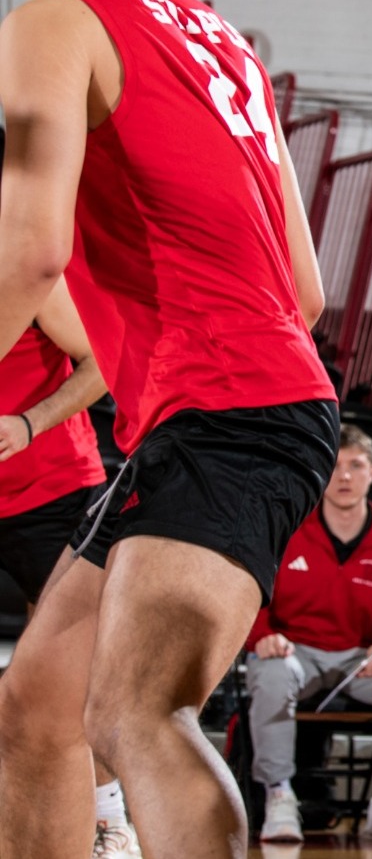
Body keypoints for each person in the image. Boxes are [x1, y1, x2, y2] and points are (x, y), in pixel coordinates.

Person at [0, 0, 340, 859]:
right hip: (221, 411)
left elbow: (30, 251)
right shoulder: (224, 40)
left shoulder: (52, 20)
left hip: (229, 416)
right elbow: (307, 287)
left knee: (134, 715)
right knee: (35, 713)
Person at [246, 426, 372, 844]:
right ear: (321, 473)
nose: (345, 477)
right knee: (271, 671)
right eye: (335, 466)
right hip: (295, 653)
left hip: (361, 661)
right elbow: (249, 594)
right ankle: (279, 797)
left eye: (356, 465)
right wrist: (262, 635)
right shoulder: (288, 529)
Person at [0, 269, 141, 859]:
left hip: (50, 489)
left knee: (68, 673)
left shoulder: (24, 270)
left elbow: (104, 362)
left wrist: (28, 424)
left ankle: (108, 821)